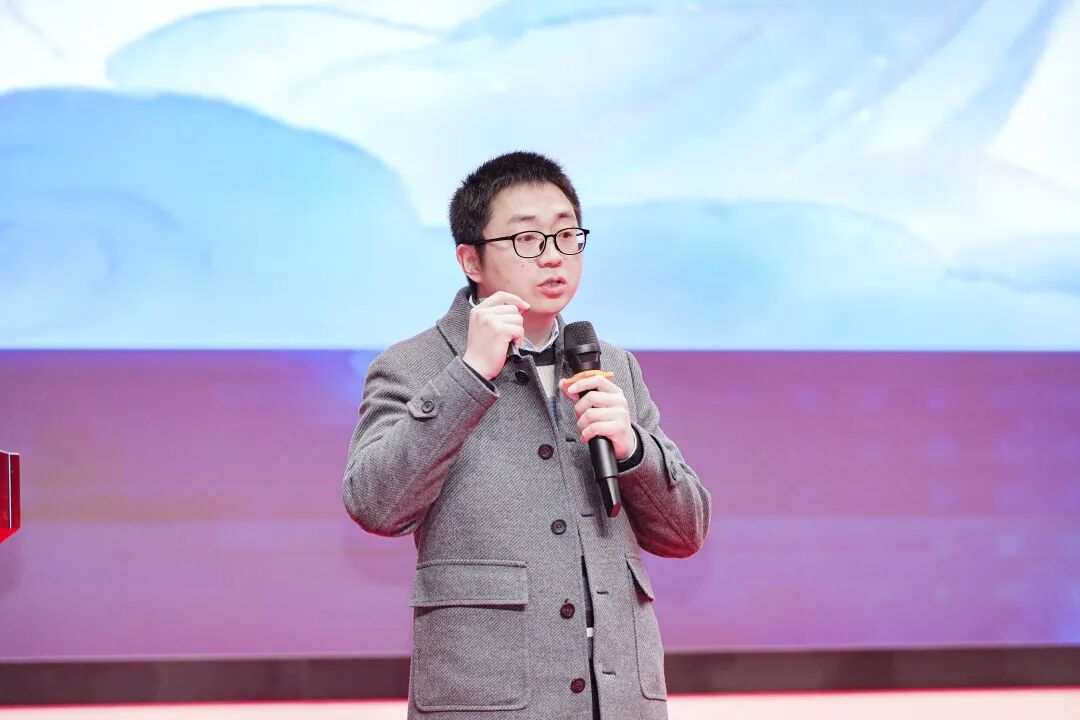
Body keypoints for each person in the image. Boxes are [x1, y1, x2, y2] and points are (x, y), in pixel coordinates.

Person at [343, 151, 711, 719]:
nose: (553, 255)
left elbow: (685, 532)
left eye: (567, 235)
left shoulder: (611, 364)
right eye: (527, 239)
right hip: (488, 702)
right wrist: (469, 374)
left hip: (618, 702)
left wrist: (633, 449)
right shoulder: (413, 365)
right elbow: (376, 504)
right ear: (470, 259)